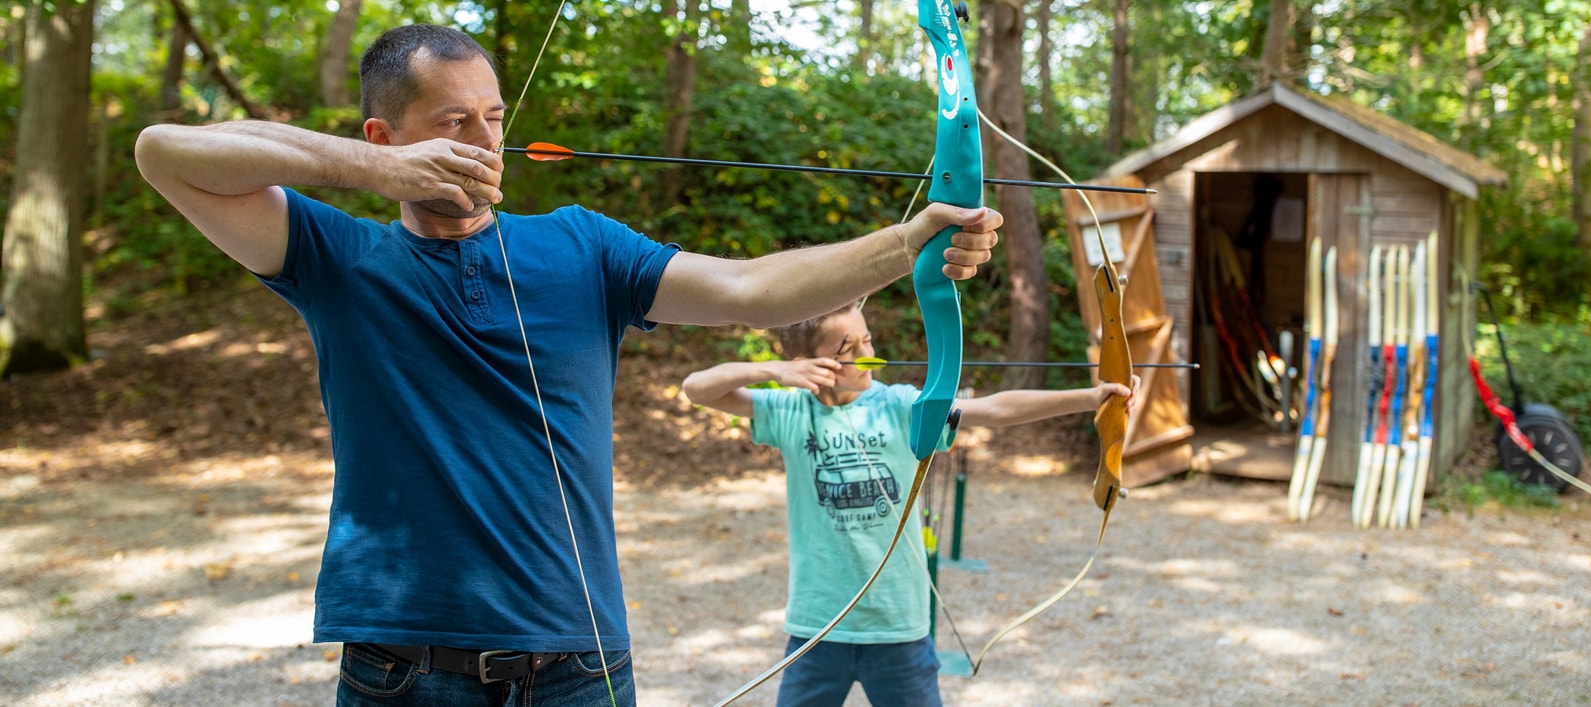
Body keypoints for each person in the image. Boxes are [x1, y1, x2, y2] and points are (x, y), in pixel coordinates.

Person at [133, 24, 1001, 707]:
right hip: (404, 671)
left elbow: (753, 287)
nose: (484, 142)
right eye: (452, 123)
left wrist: (910, 241)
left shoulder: (581, 247)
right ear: (384, 133)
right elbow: (164, 152)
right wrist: (374, 169)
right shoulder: (338, 257)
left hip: (579, 665)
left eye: (495, 119)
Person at [679, 302, 1139, 706]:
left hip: (897, 625)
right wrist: (773, 373)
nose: (867, 355)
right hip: (818, 627)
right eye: (847, 350)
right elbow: (697, 387)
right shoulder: (791, 412)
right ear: (810, 364)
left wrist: (1091, 398)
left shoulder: (901, 406)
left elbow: (995, 410)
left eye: (868, 340)